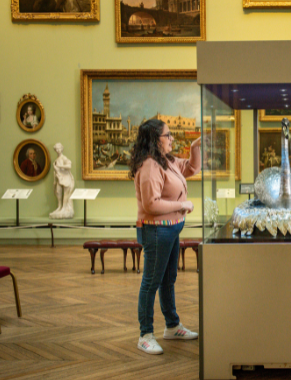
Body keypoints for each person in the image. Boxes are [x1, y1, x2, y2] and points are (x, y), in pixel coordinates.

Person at [129, 118, 202, 355]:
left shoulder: (166, 161)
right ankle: (145, 334)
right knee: (151, 282)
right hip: (157, 230)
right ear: (155, 140)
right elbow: (151, 204)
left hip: (171, 229)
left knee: (168, 279)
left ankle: (172, 326)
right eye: (167, 136)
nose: (172, 139)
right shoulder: (150, 165)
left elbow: (191, 169)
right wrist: (182, 205)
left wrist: (194, 149)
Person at [49, 143, 75, 219]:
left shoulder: (64, 158)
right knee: (58, 192)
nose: (57, 150)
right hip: (59, 178)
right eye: (56, 149)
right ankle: (59, 207)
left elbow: (69, 166)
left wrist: (59, 166)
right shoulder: (57, 159)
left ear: (62, 149)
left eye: (59, 148)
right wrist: (55, 180)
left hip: (66, 178)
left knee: (66, 194)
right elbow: (56, 171)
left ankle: (64, 208)